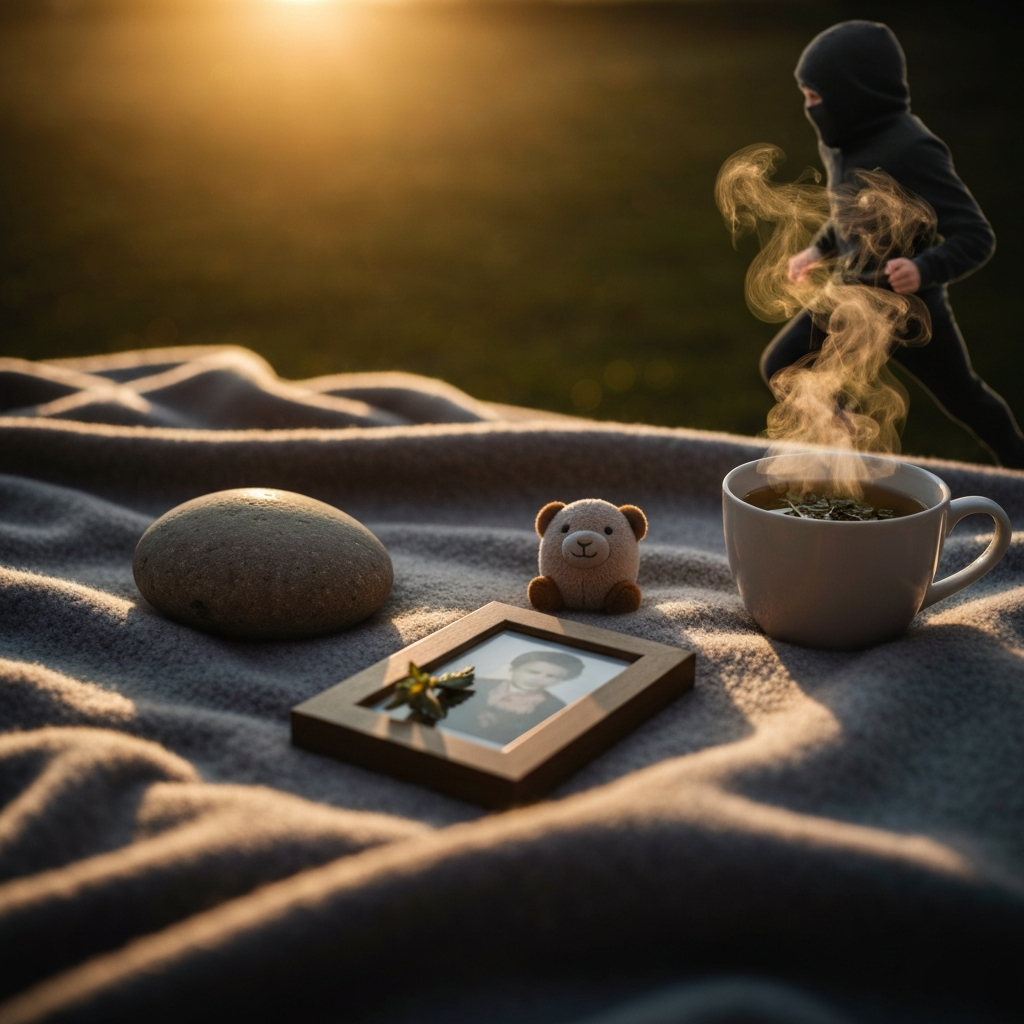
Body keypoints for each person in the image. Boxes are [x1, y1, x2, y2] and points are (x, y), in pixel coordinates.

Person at [761, 20, 1024, 468]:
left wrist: (924, 268)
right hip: (849, 297)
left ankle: (1018, 462)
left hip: (910, 313)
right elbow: (852, 210)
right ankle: (851, 463)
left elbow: (975, 234)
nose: (808, 108)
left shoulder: (912, 149)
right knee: (785, 365)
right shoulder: (840, 143)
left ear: (854, 94)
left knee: (963, 397)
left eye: (814, 97)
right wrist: (817, 250)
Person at [439, 650, 585, 747]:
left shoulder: (556, 707)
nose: (539, 679)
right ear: (512, 669)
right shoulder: (474, 684)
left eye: (551, 676)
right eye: (533, 672)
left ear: (559, 681)